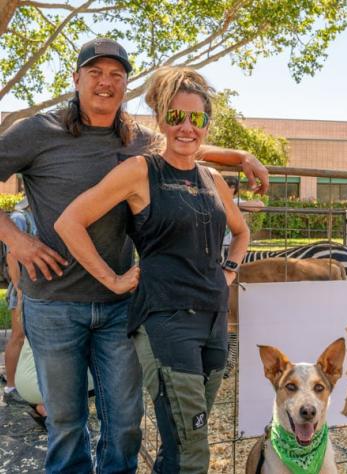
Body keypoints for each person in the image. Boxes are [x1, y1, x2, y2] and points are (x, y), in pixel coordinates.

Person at [0, 37, 267, 473]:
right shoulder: (38, 131)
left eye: (116, 75)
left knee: (125, 422)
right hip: (54, 301)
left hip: (120, 306)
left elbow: (183, 143)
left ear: (125, 84)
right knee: (66, 422)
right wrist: (17, 239)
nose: (105, 82)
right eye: (95, 73)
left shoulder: (137, 138)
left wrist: (240, 156)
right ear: (76, 78)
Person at [55, 66, 250, 473]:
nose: (186, 128)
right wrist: (113, 279)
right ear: (161, 119)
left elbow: (241, 232)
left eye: (197, 119)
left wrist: (229, 270)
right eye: (176, 117)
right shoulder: (141, 171)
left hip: (214, 322)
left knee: (182, 443)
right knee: (194, 449)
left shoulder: (212, 178)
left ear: (206, 125)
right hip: (165, 321)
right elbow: (69, 222)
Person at [3, 197, 36, 405]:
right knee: (18, 335)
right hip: (22, 288)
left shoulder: (36, 215)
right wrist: (19, 288)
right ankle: (10, 386)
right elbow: (11, 257)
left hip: (35, 289)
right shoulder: (20, 217)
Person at [222, 175, 265, 248]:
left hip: (233, 245)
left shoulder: (237, 201)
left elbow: (260, 205)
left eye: (231, 187)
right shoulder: (214, 199)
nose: (228, 189)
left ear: (235, 189)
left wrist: (234, 205)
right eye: (225, 185)